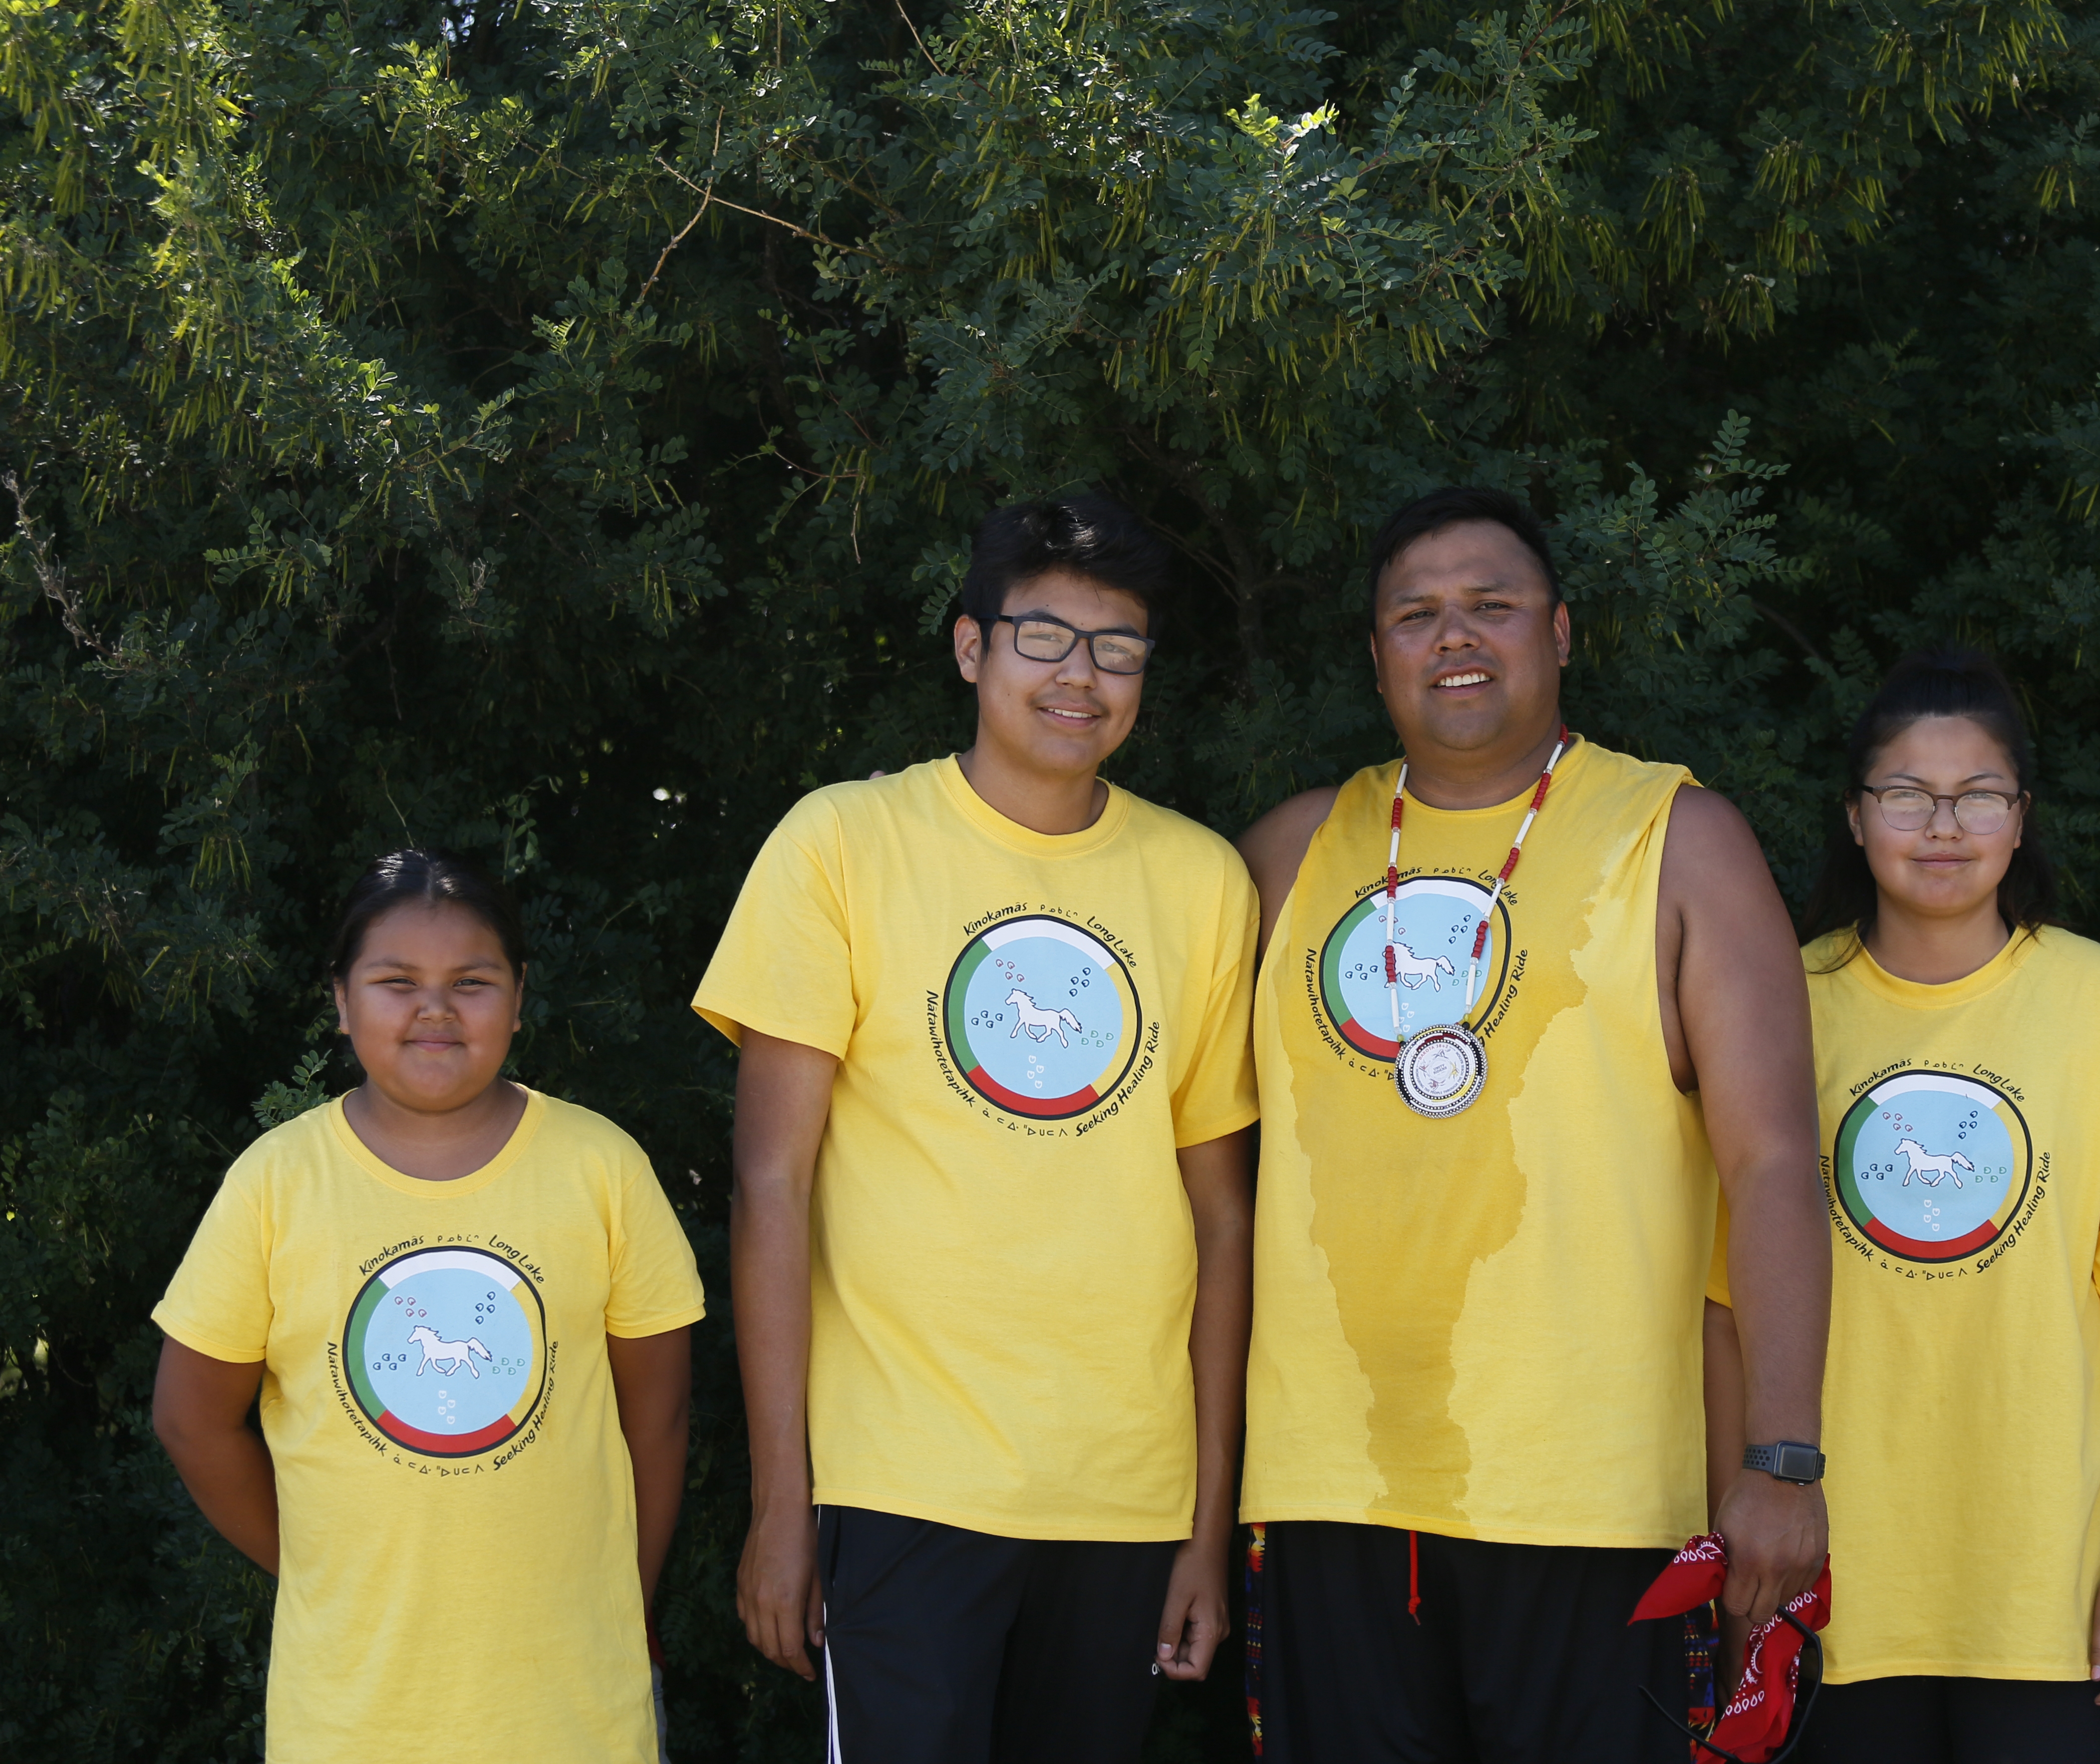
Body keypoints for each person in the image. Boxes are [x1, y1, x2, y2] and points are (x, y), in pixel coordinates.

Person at [1233, 486, 1831, 1763]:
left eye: (1492, 606)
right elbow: (1193, 1175)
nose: (1457, 637)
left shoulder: (1678, 836)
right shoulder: (1290, 853)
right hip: (1329, 1489)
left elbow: (1774, 1157)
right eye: (1418, 614)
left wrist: (1782, 1459)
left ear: (1560, 633)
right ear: (1377, 653)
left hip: (1595, 1502)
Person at [698, 493, 1259, 1762]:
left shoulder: (1201, 882)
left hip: (1124, 1492)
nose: (1083, 678)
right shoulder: (842, 844)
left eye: (1118, 648)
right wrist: (784, 1506)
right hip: (903, 1484)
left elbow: (1223, 1223)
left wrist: (1205, 1528)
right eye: (1045, 637)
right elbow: (771, 1189)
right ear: (971, 647)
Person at [1704, 647, 2100, 1762]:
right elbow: (1724, 1306)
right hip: (1831, 1578)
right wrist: (1733, 1553)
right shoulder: (1783, 1003)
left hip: (2042, 1591)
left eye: (1978, 794)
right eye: (1906, 795)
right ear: (1855, 817)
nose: (1942, 824)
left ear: (2021, 819)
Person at [150, 848, 703, 1764]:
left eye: (472, 982)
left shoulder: (601, 1168)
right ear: (340, 999)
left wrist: (622, 1600)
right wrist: (324, 1573)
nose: (435, 1009)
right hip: (353, 1717)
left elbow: (661, 1418)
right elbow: (190, 1420)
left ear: (519, 996)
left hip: (574, 1713)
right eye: (396, 981)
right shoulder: (277, 1184)